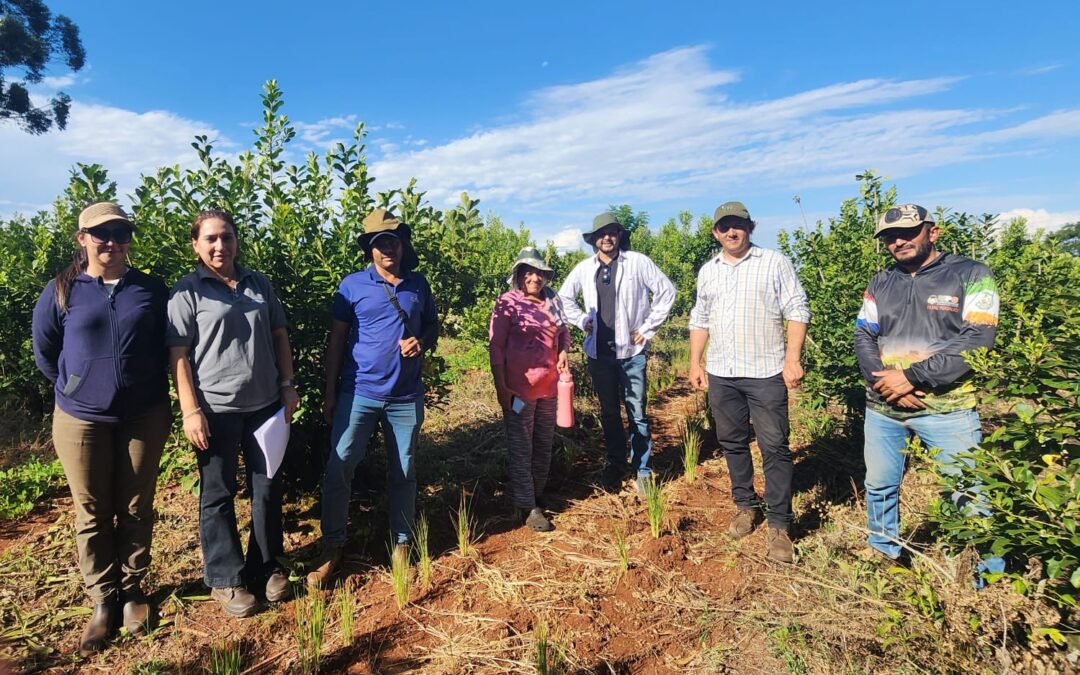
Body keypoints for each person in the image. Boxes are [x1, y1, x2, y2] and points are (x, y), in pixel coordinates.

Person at [32, 202, 171, 655]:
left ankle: (133, 592)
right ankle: (102, 602)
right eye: (100, 233)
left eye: (120, 231)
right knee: (90, 513)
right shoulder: (62, 290)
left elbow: (168, 347)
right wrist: (76, 387)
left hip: (142, 415)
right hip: (80, 419)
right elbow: (45, 351)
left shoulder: (150, 289)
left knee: (136, 505)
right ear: (82, 239)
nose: (111, 240)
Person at [854, 204, 1003, 580]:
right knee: (880, 484)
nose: (898, 241)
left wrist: (912, 377)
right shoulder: (880, 282)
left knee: (968, 492)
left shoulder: (972, 275)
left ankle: (988, 579)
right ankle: (884, 554)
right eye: (889, 237)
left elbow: (978, 338)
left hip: (947, 409)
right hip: (884, 408)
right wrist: (885, 384)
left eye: (908, 232)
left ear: (932, 232)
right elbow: (864, 335)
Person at [166, 210, 299, 617]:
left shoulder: (258, 284)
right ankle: (225, 578)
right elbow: (179, 355)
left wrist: (288, 385)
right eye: (210, 239)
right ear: (196, 244)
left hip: (265, 408)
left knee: (267, 488)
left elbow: (279, 333)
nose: (219, 246)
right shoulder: (187, 291)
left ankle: (267, 566)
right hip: (216, 410)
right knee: (218, 493)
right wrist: (191, 411)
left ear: (237, 240)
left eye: (226, 237)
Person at [307, 208, 439, 589]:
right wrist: (330, 393)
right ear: (370, 248)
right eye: (380, 243)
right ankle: (332, 546)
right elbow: (337, 341)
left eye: (393, 242)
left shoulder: (418, 285)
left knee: (404, 471)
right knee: (339, 466)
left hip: (405, 396)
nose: (387, 250)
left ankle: (401, 544)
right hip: (359, 392)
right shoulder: (351, 286)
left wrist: (422, 342)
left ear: (402, 245)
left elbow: (432, 325)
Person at [688, 201, 810, 563]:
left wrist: (792, 359)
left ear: (749, 227)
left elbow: (797, 309)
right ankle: (745, 504)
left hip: (766, 371)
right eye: (724, 226)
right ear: (715, 232)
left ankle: (779, 524)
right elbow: (701, 318)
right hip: (722, 373)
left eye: (738, 225)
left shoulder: (774, 262)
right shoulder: (708, 271)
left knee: (774, 445)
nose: (731, 232)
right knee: (732, 442)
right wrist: (696, 362)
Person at [557, 212, 675, 494]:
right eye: (601, 234)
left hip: (631, 353)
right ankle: (616, 462)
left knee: (637, 412)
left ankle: (643, 468)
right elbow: (563, 298)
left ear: (619, 236)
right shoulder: (585, 268)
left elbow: (666, 292)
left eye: (611, 232)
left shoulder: (637, 262)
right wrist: (584, 320)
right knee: (609, 412)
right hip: (599, 355)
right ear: (594, 240)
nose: (606, 238)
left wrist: (647, 329)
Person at [489, 247, 571, 532]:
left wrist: (563, 352)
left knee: (543, 443)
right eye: (529, 272)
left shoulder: (553, 301)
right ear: (519, 275)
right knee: (521, 445)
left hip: (549, 388)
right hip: (518, 391)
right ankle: (528, 506)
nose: (535, 278)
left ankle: (536, 492)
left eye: (539, 273)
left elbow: (563, 334)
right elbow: (496, 347)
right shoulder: (507, 304)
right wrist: (502, 387)